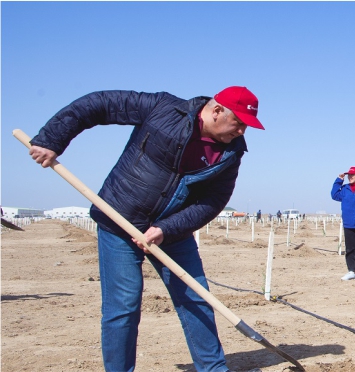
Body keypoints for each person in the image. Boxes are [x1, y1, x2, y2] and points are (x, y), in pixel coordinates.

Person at [27, 86, 264, 372]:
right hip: (119, 221)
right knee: (123, 307)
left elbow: (213, 201)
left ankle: (213, 369)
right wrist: (53, 139)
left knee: (197, 299)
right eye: (238, 123)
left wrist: (167, 228)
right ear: (216, 111)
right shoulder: (162, 109)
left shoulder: (231, 152)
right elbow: (98, 104)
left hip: (173, 232)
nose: (241, 132)